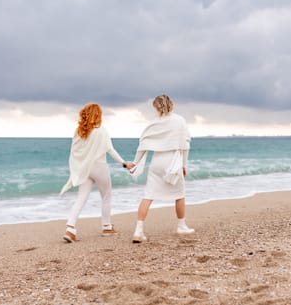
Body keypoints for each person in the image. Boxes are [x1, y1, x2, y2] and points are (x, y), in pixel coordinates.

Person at [60, 103, 134, 243]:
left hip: (85, 169)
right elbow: (110, 150)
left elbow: (75, 152)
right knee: (106, 196)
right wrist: (124, 163)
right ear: (98, 115)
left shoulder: (79, 131)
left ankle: (70, 229)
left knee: (81, 198)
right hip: (99, 167)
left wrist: (77, 169)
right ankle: (106, 227)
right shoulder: (102, 130)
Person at [130, 94, 195, 243]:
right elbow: (185, 146)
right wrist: (184, 165)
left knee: (148, 195)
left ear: (156, 107)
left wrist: (135, 162)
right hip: (173, 161)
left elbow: (143, 144)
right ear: (171, 104)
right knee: (179, 194)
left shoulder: (154, 124)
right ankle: (181, 226)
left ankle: (138, 231)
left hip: (157, 162)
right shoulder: (179, 121)